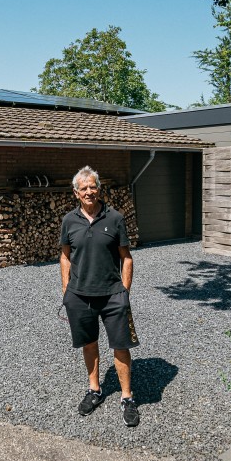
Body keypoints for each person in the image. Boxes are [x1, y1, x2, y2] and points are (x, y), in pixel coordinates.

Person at [59, 166, 140, 427]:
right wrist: (66, 291)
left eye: (93, 186)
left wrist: (124, 292)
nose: (89, 191)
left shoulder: (115, 218)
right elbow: (64, 256)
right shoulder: (69, 221)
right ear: (76, 193)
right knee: (89, 343)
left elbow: (126, 258)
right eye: (84, 188)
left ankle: (127, 396)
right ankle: (95, 389)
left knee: (121, 345)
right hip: (80, 297)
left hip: (113, 295)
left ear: (99, 189)